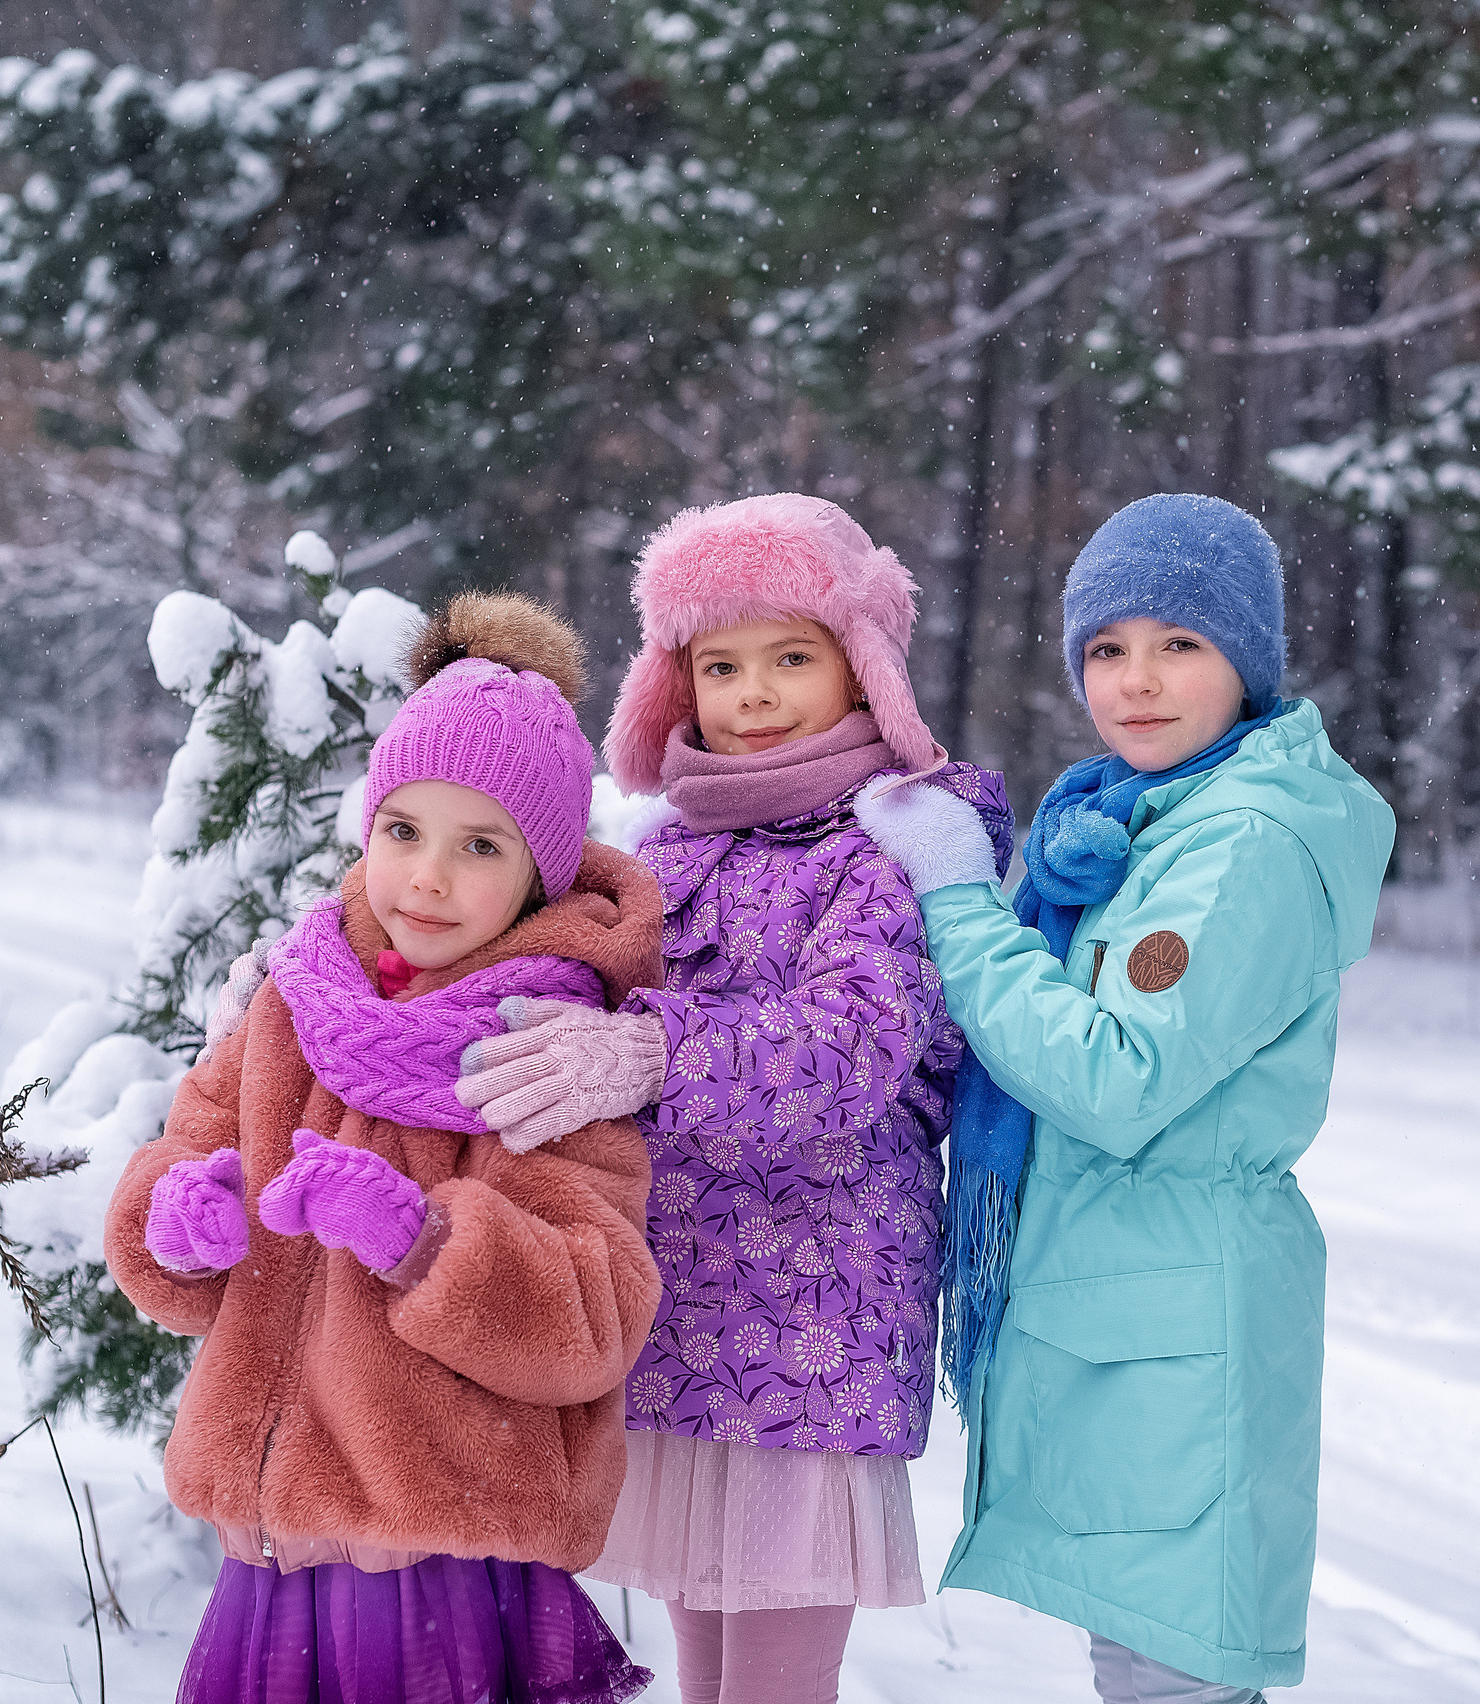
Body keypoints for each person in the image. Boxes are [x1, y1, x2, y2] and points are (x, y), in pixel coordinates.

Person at [448, 494, 1010, 1704]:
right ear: (675, 684)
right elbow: (530, 973)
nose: (752, 695)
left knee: (772, 1687)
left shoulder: (888, 842)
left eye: (790, 659)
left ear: (861, 666)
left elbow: (849, 1049)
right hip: (678, 1308)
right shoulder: (665, 845)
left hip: (811, 1316)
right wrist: (339, 976)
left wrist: (650, 1056)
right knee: (698, 1665)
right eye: (721, 666)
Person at [853, 493, 1396, 1704]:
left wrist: (956, 899)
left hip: (1182, 1321)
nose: (1136, 681)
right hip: (1127, 1311)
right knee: (1144, 1670)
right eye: (1107, 649)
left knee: (1173, 1678)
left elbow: (1112, 1074)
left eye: (1179, 645)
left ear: (1246, 663)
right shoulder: (1124, 826)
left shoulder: (1246, 842)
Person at [104, 594, 664, 1704]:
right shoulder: (291, 1005)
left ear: (543, 873)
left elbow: (596, 1315)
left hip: (440, 1559)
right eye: (404, 831)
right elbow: (173, 1178)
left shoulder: (543, 1051)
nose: (428, 878)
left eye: (480, 846)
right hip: (274, 1551)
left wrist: (422, 1243)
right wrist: (175, 1223)